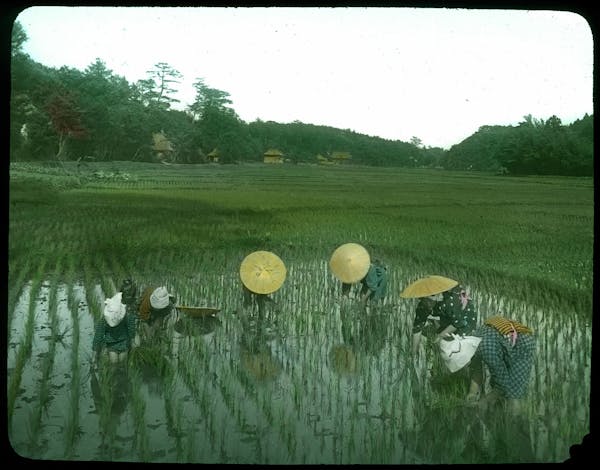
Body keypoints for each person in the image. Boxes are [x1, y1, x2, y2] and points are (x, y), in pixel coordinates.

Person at [466, 315, 536, 412]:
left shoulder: (485, 346)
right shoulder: (471, 340)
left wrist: (485, 400)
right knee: (499, 384)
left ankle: (515, 422)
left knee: (513, 393)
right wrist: (472, 393)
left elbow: (502, 384)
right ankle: (499, 416)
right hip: (507, 339)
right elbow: (476, 368)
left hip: (523, 343)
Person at [92, 291, 138, 365]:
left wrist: (132, 341)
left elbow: (131, 327)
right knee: (114, 363)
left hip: (124, 341)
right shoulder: (105, 319)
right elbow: (98, 335)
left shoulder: (126, 315)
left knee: (122, 362)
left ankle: (123, 374)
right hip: (111, 343)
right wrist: (94, 355)